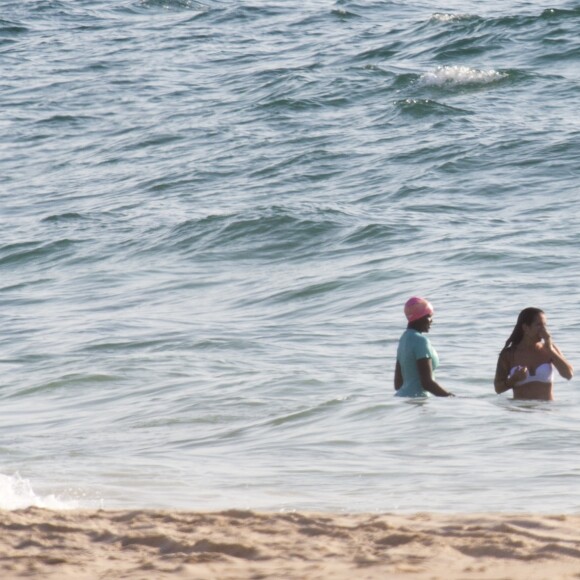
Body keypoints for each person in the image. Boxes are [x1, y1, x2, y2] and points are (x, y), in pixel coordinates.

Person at [494, 307, 573, 401]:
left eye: (545, 325)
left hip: (546, 412)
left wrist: (550, 350)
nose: (544, 330)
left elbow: (568, 375)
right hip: (519, 411)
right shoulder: (508, 354)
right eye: (539, 325)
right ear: (525, 328)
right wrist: (513, 380)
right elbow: (498, 389)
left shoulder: (550, 349)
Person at [394, 296, 453, 397]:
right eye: (429, 316)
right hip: (418, 401)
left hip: (402, 400)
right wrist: (450, 397)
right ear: (420, 317)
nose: (431, 321)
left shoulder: (403, 339)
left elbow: (398, 384)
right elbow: (427, 383)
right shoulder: (421, 341)